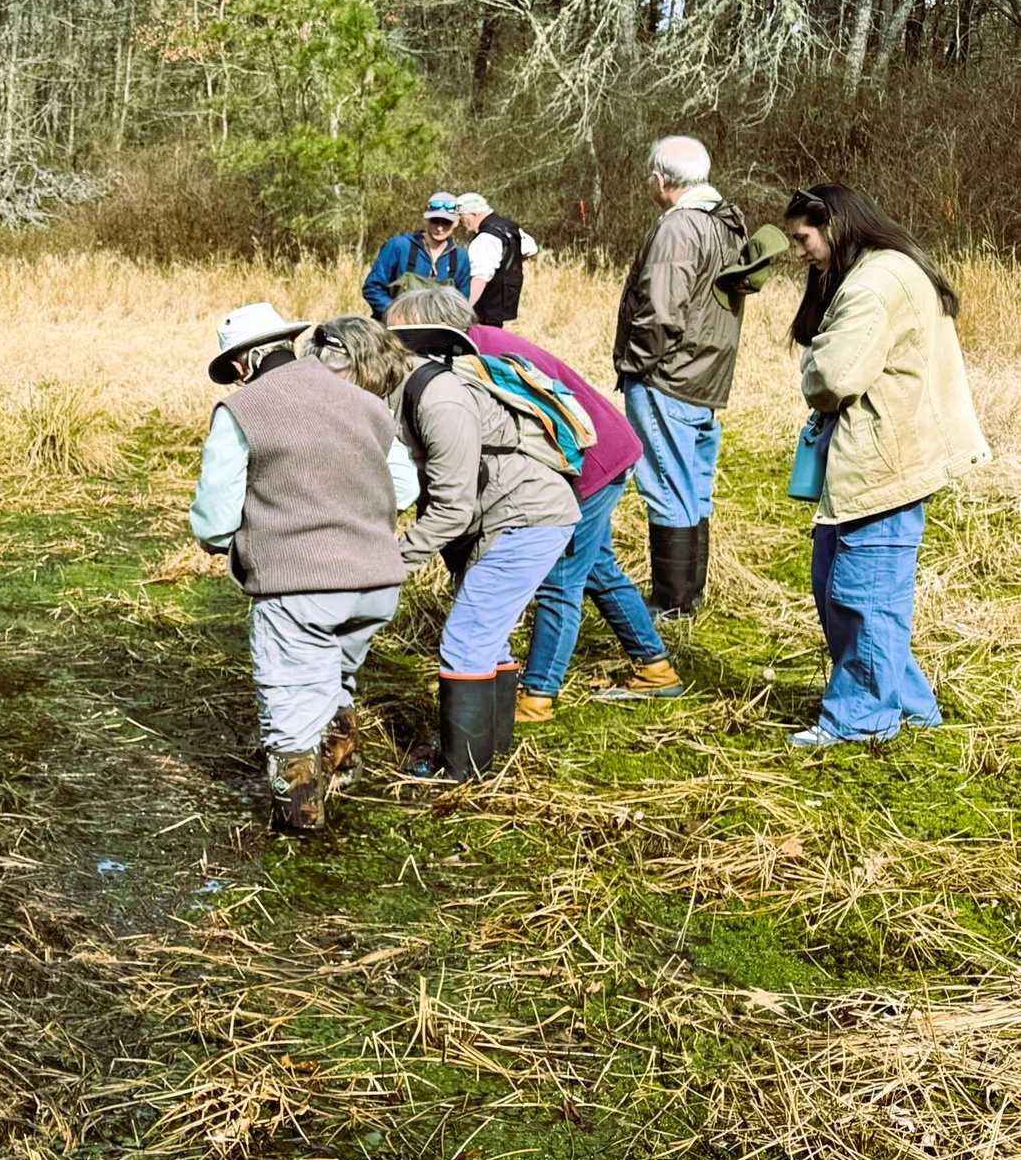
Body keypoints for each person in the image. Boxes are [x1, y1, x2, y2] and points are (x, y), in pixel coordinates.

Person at [391, 284, 682, 719]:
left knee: (561, 578)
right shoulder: (477, 346)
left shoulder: (477, 358)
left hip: (589, 463)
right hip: (599, 452)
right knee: (597, 567)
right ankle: (655, 667)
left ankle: (539, 694)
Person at [191, 306, 416, 833]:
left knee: (290, 706)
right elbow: (405, 488)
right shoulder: (366, 403)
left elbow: (216, 517)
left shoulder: (243, 408)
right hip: (377, 582)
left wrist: (227, 543)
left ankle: (300, 829)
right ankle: (342, 774)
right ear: (288, 344)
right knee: (336, 680)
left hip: (300, 586)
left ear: (245, 362)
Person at [781, 184, 988, 748]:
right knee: (837, 584)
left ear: (836, 225)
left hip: (885, 461)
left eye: (804, 238)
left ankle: (860, 719)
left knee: (862, 596)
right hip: (878, 455)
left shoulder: (873, 284)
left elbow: (833, 377)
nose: (800, 252)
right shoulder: (882, 271)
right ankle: (911, 706)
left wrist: (810, 368)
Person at [383, 286, 580, 777]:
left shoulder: (441, 399)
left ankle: (463, 770)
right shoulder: (423, 391)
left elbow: (450, 510)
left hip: (526, 519)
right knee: (486, 637)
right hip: (515, 518)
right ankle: (489, 754)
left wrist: (391, 562)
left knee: (466, 640)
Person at [613, 136, 749, 619]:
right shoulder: (727, 224)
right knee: (694, 486)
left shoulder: (680, 228)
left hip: (667, 378)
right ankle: (689, 596)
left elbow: (662, 312)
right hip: (705, 377)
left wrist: (636, 366)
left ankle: (671, 602)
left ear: (661, 179)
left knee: (667, 487)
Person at [362, 193, 472, 318]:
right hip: (396, 327)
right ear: (425, 219)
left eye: (446, 222)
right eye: (435, 221)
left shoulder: (460, 257)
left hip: (439, 331)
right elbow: (372, 288)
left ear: (456, 222)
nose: (440, 228)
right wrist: (395, 312)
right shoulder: (398, 246)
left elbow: (462, 302)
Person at [457, 193, 538, 328]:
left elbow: (479, 279)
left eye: (462, 217)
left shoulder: (486, 238)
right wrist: (507, 265)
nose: (461, 222)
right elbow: (531, 248)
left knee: (481, 344)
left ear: (474, 213)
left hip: (485, 308)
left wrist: (462, 311)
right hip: (502, 302)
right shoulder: (509, 226)